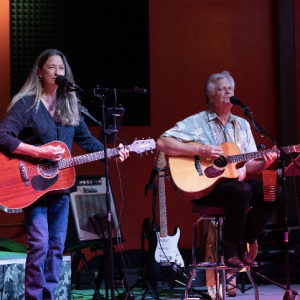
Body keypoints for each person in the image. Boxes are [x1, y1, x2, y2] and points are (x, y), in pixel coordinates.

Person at [0, 49, 129, 300]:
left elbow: (88, 142)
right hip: (30, 185)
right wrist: (40, 153)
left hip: (60, 186)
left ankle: (49, 296)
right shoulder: (27, 104)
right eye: (51, 67)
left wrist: (113, 152)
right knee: (39, 243)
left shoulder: (71, 107)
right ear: (39, 72)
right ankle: (33, 297)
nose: (57, 72)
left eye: (61, 68)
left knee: (57, 246)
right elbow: (2, 137)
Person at [156, 71, 282, 268]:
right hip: (206, 187)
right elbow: (162, 142)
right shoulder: (196, 122)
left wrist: (264, 164)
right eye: (222, 89)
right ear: (210, 95)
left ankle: (242, 241)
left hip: (235, 186)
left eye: (230, 89)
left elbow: (248, 165)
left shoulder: (243, 124)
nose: (228, 92)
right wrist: (200, 149)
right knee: (242, 190)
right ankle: (229, 248)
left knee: (274, 192)